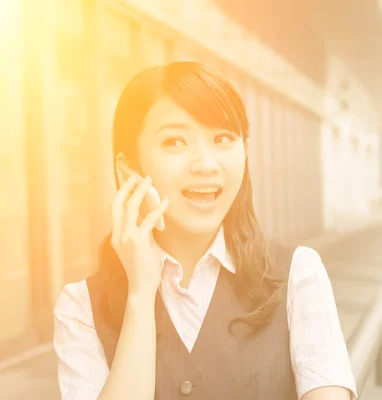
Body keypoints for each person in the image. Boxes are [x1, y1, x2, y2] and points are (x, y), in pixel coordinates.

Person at [52, 61, 357, 400]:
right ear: (129, 170)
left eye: (222, 138)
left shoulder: (298, 275)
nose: (206, 164)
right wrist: (140, 294)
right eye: (176, 142)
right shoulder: (81, 307)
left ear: (245, 150)